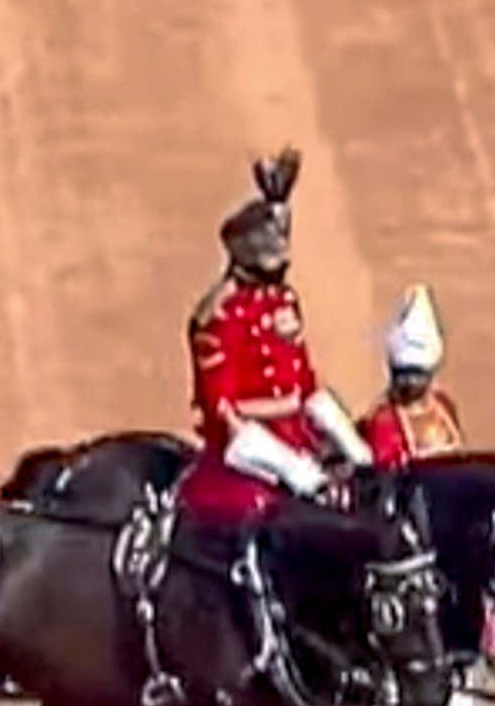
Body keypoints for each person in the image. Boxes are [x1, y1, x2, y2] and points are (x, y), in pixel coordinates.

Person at [184, 149, 373, 519]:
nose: (278, 278)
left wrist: (345, 437)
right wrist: (288, 465)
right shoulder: (218, 317)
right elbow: (222, 410)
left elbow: (302, 379)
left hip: (294, 431)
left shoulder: (282, 300)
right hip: (246, 441)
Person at [361, 285, 463, 468]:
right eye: (403, 375)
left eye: (417, 375)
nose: (410, 382)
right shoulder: (383, 421)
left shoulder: (444, 407)